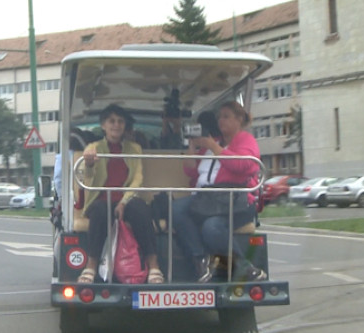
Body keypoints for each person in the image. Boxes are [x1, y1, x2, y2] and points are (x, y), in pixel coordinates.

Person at [172, 101, 267, 283]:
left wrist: (215, 148)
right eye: (219, 117)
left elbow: (243, 165)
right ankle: (200, 258)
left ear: (239, 119)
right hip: (207, 199)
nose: (220, 121)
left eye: (226, 116)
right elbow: (190, 171)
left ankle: (245, 267)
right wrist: (192, 148)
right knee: (175, 209)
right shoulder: (213, 143)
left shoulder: (245, 140)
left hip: (234, 200)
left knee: (212, 228)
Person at [76, 104, 164, 284]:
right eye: (111, 121)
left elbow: (137, 178)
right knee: (100, 212)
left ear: (125, 126)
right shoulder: (93, 148)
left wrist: (124, 202)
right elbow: (87, 180)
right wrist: (90, 164)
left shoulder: (134, 149)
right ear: (103, 125)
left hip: (126, 199)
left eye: (120, 121)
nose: (116, 125)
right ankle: (91, 266)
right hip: (101, 198)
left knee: (141, 210)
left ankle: (153, 267)